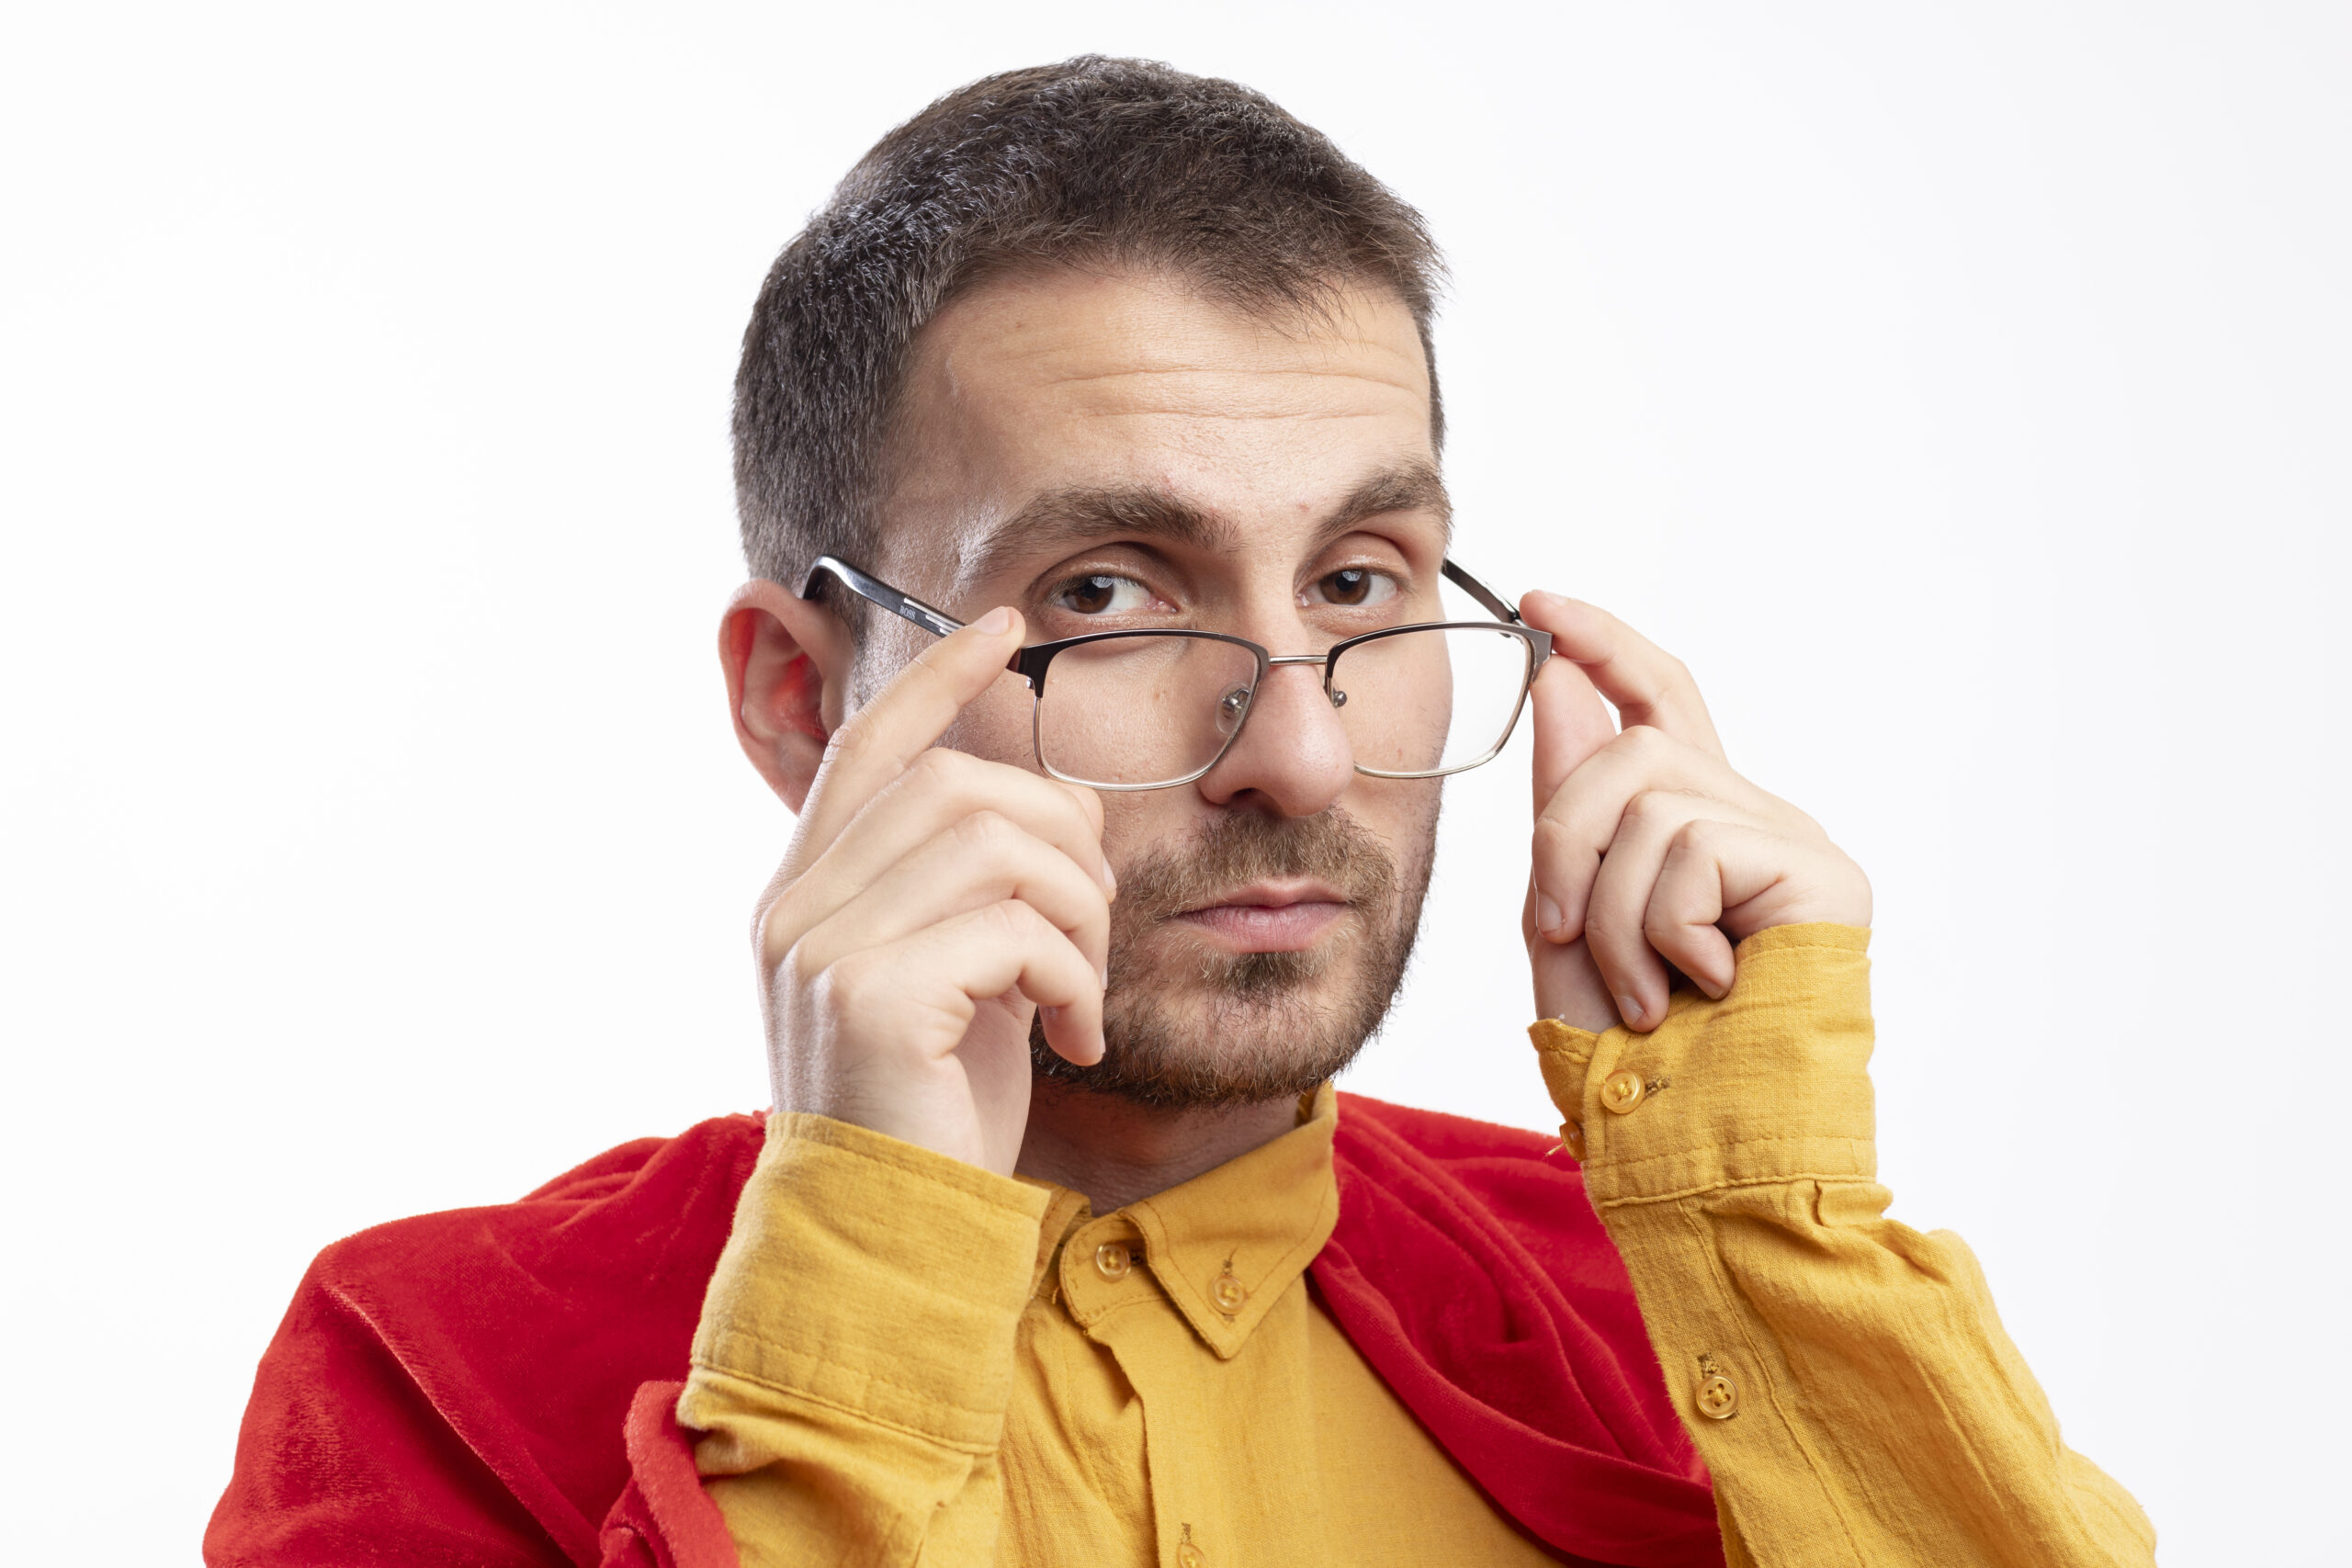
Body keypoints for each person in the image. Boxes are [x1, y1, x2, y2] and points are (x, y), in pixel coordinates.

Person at [208, 56, 2155, 1568]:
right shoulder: (431, 1363)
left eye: (1357, 582)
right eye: (1107, 595)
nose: (1298, 758)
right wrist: (863, 1282)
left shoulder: (1682, 1298)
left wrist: (1755, 1206)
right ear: (802, 696)